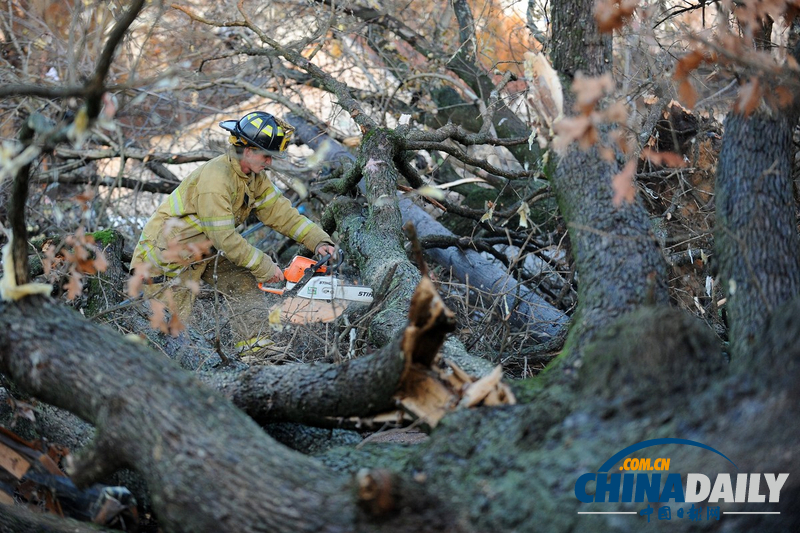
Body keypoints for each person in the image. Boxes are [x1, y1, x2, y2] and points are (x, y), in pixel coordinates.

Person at [131, 111, 336, 354]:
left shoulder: (253, 176)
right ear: (247, 150)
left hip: (201, 253)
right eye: (266, 156)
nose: (269, 162)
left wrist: (317, 240)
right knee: (170, 335)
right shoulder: (216, 180)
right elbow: (224, 238)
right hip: (166, 260)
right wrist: (264, 265)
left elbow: (280, 212)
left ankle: (256, 349)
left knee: (242, 280)